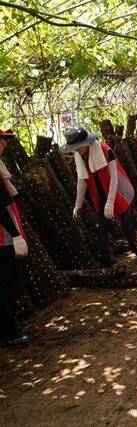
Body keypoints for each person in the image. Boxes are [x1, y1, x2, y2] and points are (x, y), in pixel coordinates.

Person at [61, 127, 137, 266]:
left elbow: (114, 177)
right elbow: (82, 180)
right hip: (98, 196)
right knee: (100, 228)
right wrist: (78, 204)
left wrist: (110, 201)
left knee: (127, 226)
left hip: (117, 192)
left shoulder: (106, 150)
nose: (76, 150)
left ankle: (136, 249)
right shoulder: (79, 156)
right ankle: (106, 262)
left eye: (78, 146)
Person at [0, 129, 29, 347]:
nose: (5, 145)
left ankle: (10, 328)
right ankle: (8, 334)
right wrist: (16, 235)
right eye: (2, 141)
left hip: (5, 236)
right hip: (2, 238)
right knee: (6, 285)